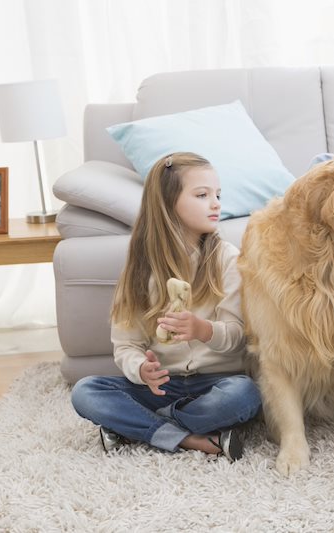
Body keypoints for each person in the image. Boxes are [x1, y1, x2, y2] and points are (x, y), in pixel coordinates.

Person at [71, 152, 262, 461]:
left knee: (246, 396)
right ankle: (194, 440)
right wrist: (141, 370)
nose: (215, 203)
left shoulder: (227, 259)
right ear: (167, 202)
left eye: (218, 195)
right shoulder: (138, 270)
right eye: (202, 195)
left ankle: (135, 427)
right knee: (86, 391)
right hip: (161, 386)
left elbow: (238, 336)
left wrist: (203, 330)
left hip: (216, 383)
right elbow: (126, 345)